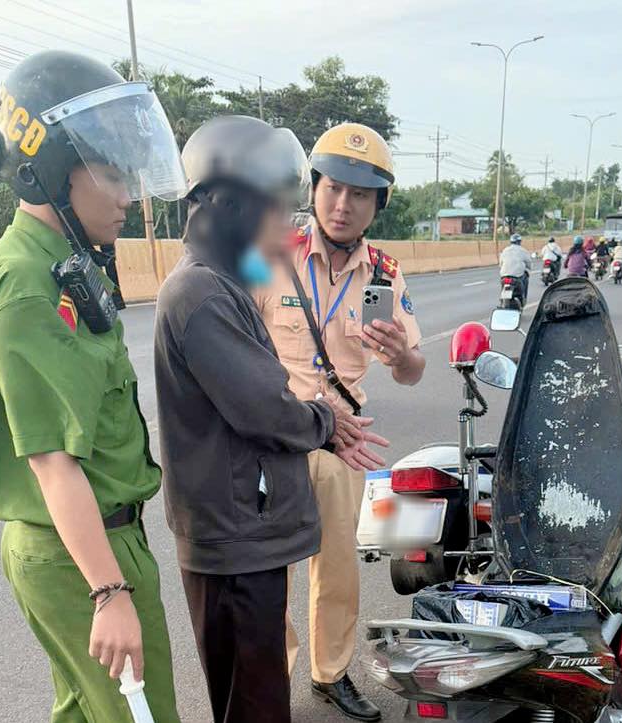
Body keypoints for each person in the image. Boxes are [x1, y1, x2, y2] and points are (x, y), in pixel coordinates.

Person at [0, 51, 183, 722]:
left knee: (86, 713)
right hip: (82, 557)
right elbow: (53, 463)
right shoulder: (26, 285)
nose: (127, 197)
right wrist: (109, 592)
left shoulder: (62, 261)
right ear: (51, 169)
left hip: (94, 545)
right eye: (112, 175)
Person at [153, 115, 389, 723]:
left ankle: (330, 673)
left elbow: (406, 366)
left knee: (261, 684)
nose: (287, 226)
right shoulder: (210, 290)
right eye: (276, 211)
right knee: (254, 695)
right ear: (231, 207)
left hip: (252, 509)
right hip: (237, 524)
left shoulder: (224, 280)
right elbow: (261, 405)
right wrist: (323, 420)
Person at [253, 122, 424, 721]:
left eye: (360, 194)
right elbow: (228, 335)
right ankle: (271, 676)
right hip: (275, 436)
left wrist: (400, 356)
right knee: (269, 570)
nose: (343, 204)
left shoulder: (386, 274)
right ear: (314, 189)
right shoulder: (269, 255)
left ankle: (330, 673)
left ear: (378, 204)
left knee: (337, 568)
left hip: (343, 442)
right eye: (333, 188)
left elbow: (414, 371)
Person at [499, 233, 532, 303]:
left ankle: (502, 300)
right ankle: (523, 299)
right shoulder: (523, 251)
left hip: (504, 276)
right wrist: (529, 268)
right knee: (526, 277)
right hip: (517, 277)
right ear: (519, 242)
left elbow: (501, 263)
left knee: (503, 286)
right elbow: (529, 263)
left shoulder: (505, 250)